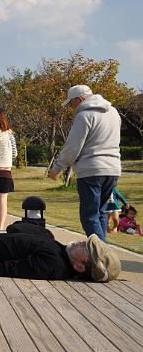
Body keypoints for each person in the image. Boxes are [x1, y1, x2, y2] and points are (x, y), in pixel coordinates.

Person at [48, 85, 122, 241]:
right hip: (113, 169)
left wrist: (56, 167)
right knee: (101, 213)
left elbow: (72, 147)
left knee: (89, 217)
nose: (71, 107)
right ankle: (103, 253)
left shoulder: (84, 115)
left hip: (91, 170)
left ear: (80, 99)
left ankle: (100, 256)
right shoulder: (114, 112)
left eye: (71, 103)